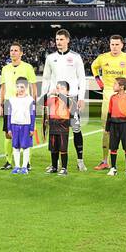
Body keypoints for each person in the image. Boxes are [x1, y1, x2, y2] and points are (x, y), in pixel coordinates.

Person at [90, 35, 126, 169]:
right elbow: (93, 67)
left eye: (117, 44)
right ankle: (105, 160)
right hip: (108, 95)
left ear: (122, 45)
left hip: (125, 96)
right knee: (106, 129)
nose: (114, 47)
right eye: (112, 44)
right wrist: (98, 81)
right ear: (109, 45)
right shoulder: (103, 58)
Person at [40, 29, 88, 171]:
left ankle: (80, 161)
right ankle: (56, 163)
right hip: (55, 100)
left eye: (61, 39)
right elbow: (46, 78)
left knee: (76, 129)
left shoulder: (76, 57)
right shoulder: (50, 58)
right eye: (57, 40)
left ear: (68, 40)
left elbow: (82, 78)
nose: (58, 42)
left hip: (71, 99)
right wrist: (45, 96)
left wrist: (81, 97)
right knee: (55, 131)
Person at [0, 42, 38, 170]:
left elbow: (33, 86)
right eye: (11, 50)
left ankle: (27, 162)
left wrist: (34, 103)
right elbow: (3, 87)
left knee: (27, 133)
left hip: (25, 104)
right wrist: (1, 105)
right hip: (9, 103)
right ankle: (9, 161)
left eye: (16, 50)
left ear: (21, 53)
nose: (13, 52)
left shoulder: (27, 67)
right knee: (8, 133)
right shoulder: (5, 69)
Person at [105, 77, 126, 177]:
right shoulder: (112, 98)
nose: (113, 86)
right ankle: (113, 168)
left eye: (115, 84)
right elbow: (109, 113)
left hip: (125, 125)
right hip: (114, 124)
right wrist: (108, 126)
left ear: (122, 87)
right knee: (113, 147)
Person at [3, 77, 37, 175]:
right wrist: (9, 128)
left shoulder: (30, 100)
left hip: (26, 126)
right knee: (15, 147)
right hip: (14, 126)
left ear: (26, 87)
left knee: (25, 147)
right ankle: (17, 166)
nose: (20, 89)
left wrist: (31, 128)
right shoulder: (11, 100)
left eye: (22, 87)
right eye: (18, 87)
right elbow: (9, 115)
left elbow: (32, 115)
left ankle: (24, 167)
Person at [43, 79, 73, 176]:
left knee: (63, 148)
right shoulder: (52, 99)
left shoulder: (69, 100)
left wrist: (58, 94)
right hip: (53, 126)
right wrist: (48, 94)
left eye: (62, 88)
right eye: (57, 88)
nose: (59, 90)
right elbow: (41, 102)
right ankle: (54, 167)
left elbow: (69, 105)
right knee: (53, 148)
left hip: (63, 127)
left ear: (67, 91)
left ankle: (64, 168)